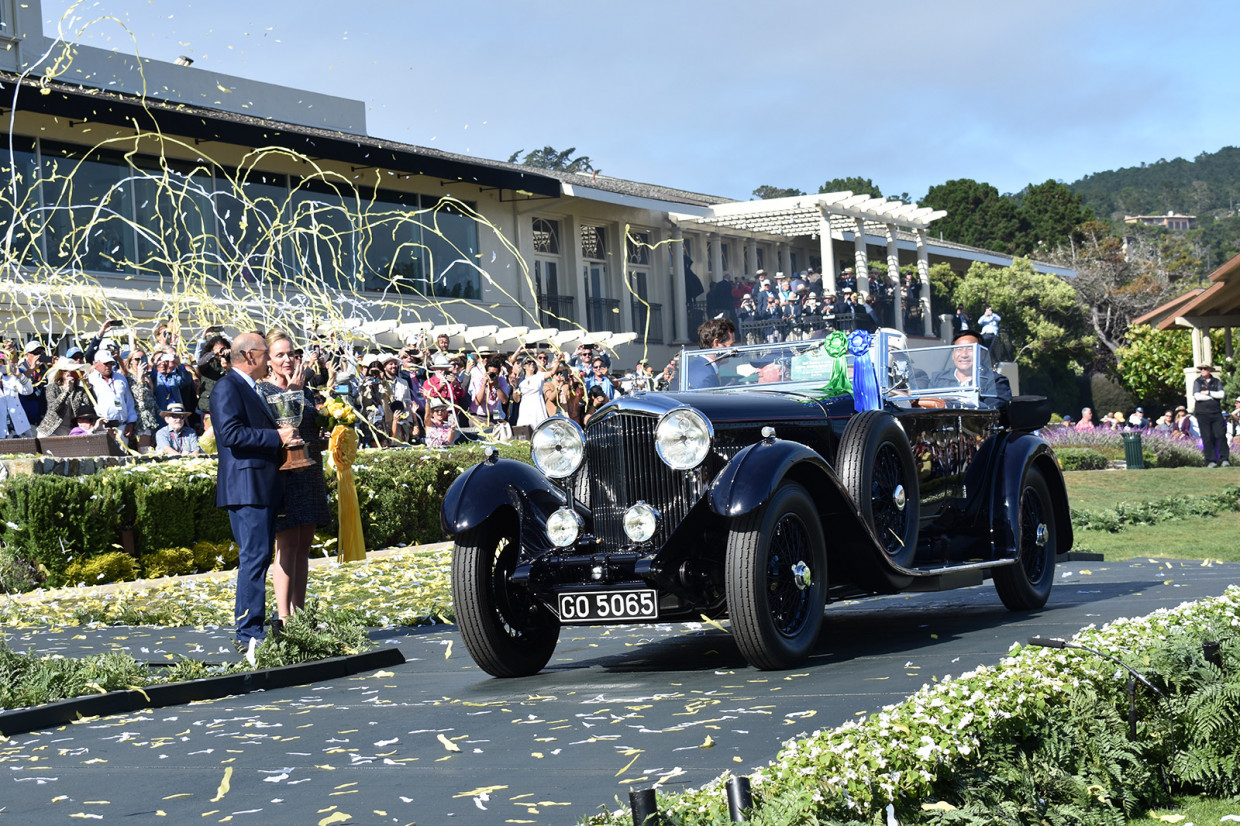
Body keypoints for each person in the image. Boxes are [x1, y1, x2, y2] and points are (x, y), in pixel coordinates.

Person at [213, 331, 298, 665]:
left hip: (261, 485)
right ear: (249, 355)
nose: (269, 360)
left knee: (259, 557)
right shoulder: (228, 387)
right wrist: (276, 437)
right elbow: (230, 434)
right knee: (254, 558)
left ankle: (251, 629)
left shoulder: (250, 388)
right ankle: (248, 632)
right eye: (266, 353)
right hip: (246, 486)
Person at [260, 330, 331, 629]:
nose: (288, 359)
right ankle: (283, 617)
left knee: (304, 546)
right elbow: (282, 429)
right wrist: (292, 391)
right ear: (268, 360)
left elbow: (307, 424)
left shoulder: (304, 388)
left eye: (291, 353)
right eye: (280, 355)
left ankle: (300, 615)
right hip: (285, 474)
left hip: (310, 471)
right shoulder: (263, 391)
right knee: (287, 545)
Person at [929, 329, 1011, 409]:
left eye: (970, 349)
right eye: (959, 349)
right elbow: (928, 406)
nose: (964, 355)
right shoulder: (937, 380)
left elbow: (992, 410)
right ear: (952, 355)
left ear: (982, 354)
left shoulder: (995, 381)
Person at [86, 350, 137, 440]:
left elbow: (129, 401)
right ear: (95, 363)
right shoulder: (90, 380)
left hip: (121, 427)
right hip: (102, 428)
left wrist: (131, 422)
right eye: (105, 363)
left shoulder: (120, 378)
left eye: (111, 363)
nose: (108, 366)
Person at [38, 357, 93, 437]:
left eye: (74, 370)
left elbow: (90, 404)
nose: (71, 373)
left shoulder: (79, 390)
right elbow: (53, 408)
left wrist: (88, 386)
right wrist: (66, 391)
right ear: (61, 373)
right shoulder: (52, 388)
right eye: (68, 370)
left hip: (69, 430)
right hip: (49, 430)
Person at [1192, 364, 1229, 467]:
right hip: (1202, 413)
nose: (1203, 370)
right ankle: (1210, 461)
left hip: (1216, 412)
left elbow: (1221, 394)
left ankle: (1224, 459)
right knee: (1207, 437)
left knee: (1220, 435)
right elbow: (1197, 396)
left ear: (1209, 370)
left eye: (1205, 369)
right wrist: (1213, 396)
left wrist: (1208, 392)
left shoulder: (1216, 381)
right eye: (1201, 369)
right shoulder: (1197, 382)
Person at [686, 317, 736, 390]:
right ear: (716, 343)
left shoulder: (693, 366)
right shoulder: (707, 377)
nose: (734, 350)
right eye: (731, 345)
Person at [0, 344, 34, 439]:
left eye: (0, 362)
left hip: (20, 428)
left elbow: (28, 391)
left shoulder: (11, 379)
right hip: (2, 432)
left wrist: (19, 375)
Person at [514, 355, 550, 429]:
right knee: (525, 433)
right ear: (524, 366)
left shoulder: (539, 375)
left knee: (540, 431)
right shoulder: (520, 380)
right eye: (529, 362)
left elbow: (551, 373)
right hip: (525, 410)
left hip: (538, 410)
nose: (532, 363)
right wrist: (515, 386)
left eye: (533, 362)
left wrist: (558, 361)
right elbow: (517, 399)